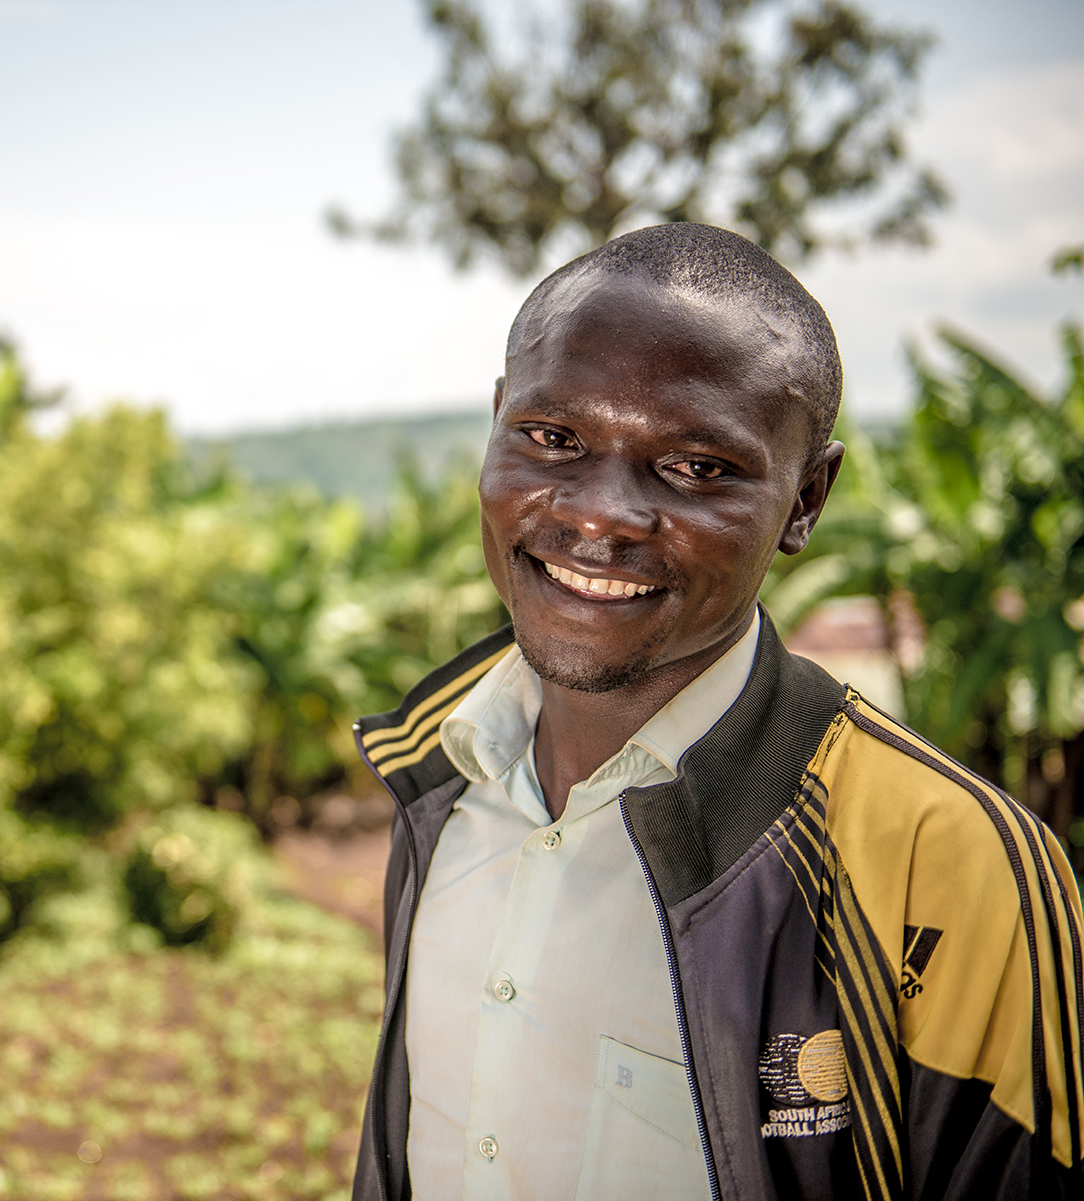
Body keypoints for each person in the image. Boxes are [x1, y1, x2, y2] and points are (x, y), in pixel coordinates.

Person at [349, 222, 1084, 1200]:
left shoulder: (944, 864)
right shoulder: (440, 767)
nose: (600, 513)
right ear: (496, 423)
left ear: (806, 499)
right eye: (553, 437)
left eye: (695, 466)